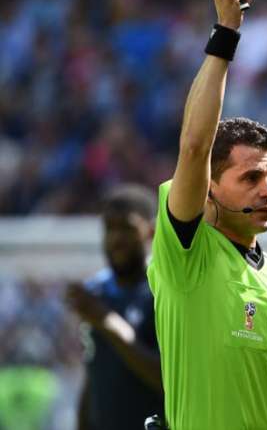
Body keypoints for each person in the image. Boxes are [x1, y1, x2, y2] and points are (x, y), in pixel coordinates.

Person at [147, 0, 267, 429]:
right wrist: (226, 34)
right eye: (251, 177)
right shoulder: (187, 253)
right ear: (210, 185)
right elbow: (194, 146)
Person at [65, 184, 164, 430]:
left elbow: (168, 381)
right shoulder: (96, 291)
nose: (116, 238)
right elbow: (95, 373)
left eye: (127, 228)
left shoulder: (164, 291)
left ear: (150, 231)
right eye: (109, 228)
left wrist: (106, 321)